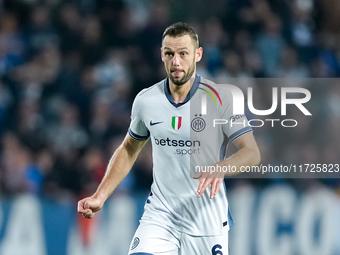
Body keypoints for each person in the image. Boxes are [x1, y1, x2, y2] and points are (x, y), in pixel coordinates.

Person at [78, 22, 261, 255]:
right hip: (161, 215)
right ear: (161, 55)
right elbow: (128, 149)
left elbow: (252, 153)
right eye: (169, 54)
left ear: (198, 54)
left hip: (206, 220)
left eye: (183, 54)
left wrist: (222, 167)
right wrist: (100, 196)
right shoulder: (147, 101)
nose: (176, 62)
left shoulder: (220, 98)